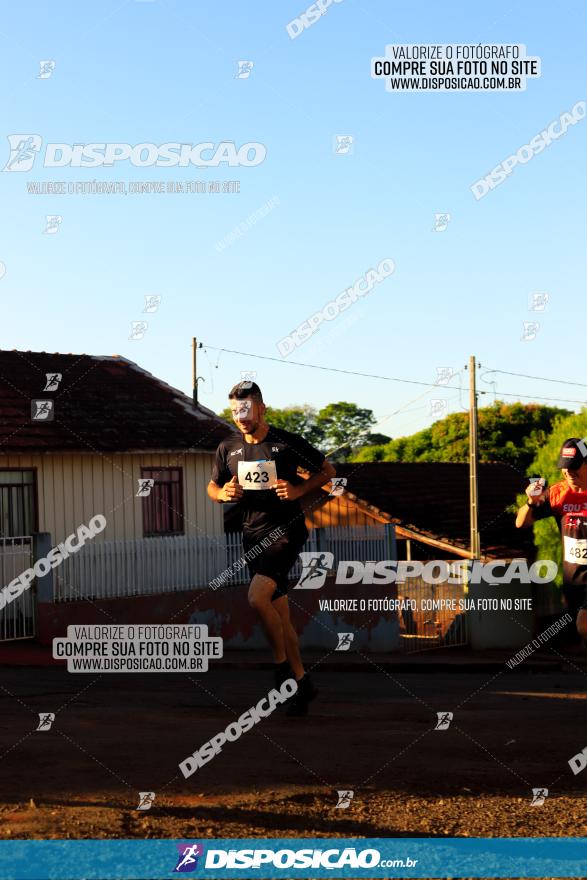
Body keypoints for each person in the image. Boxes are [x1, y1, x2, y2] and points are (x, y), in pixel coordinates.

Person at [207, 381, 336, 715]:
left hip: (285, 532)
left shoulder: (286, 443)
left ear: (261, 408)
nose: (241, 416)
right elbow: (213, 485)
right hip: (252, 535)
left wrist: (297, 491)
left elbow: (328, 472)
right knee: (280, 615)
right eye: (235, 410)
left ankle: (281, 671)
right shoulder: (227, 447)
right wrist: (223, 494)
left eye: (247, 409)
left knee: (256, 598)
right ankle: (302, 684)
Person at [516, 437, 587, 642]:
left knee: (584, 625)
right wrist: (531, 502)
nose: (569, 473)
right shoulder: (558, 493)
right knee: (581, 631)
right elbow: (521, 523)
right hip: (573, 578)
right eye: (565, 468)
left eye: (575, 467)